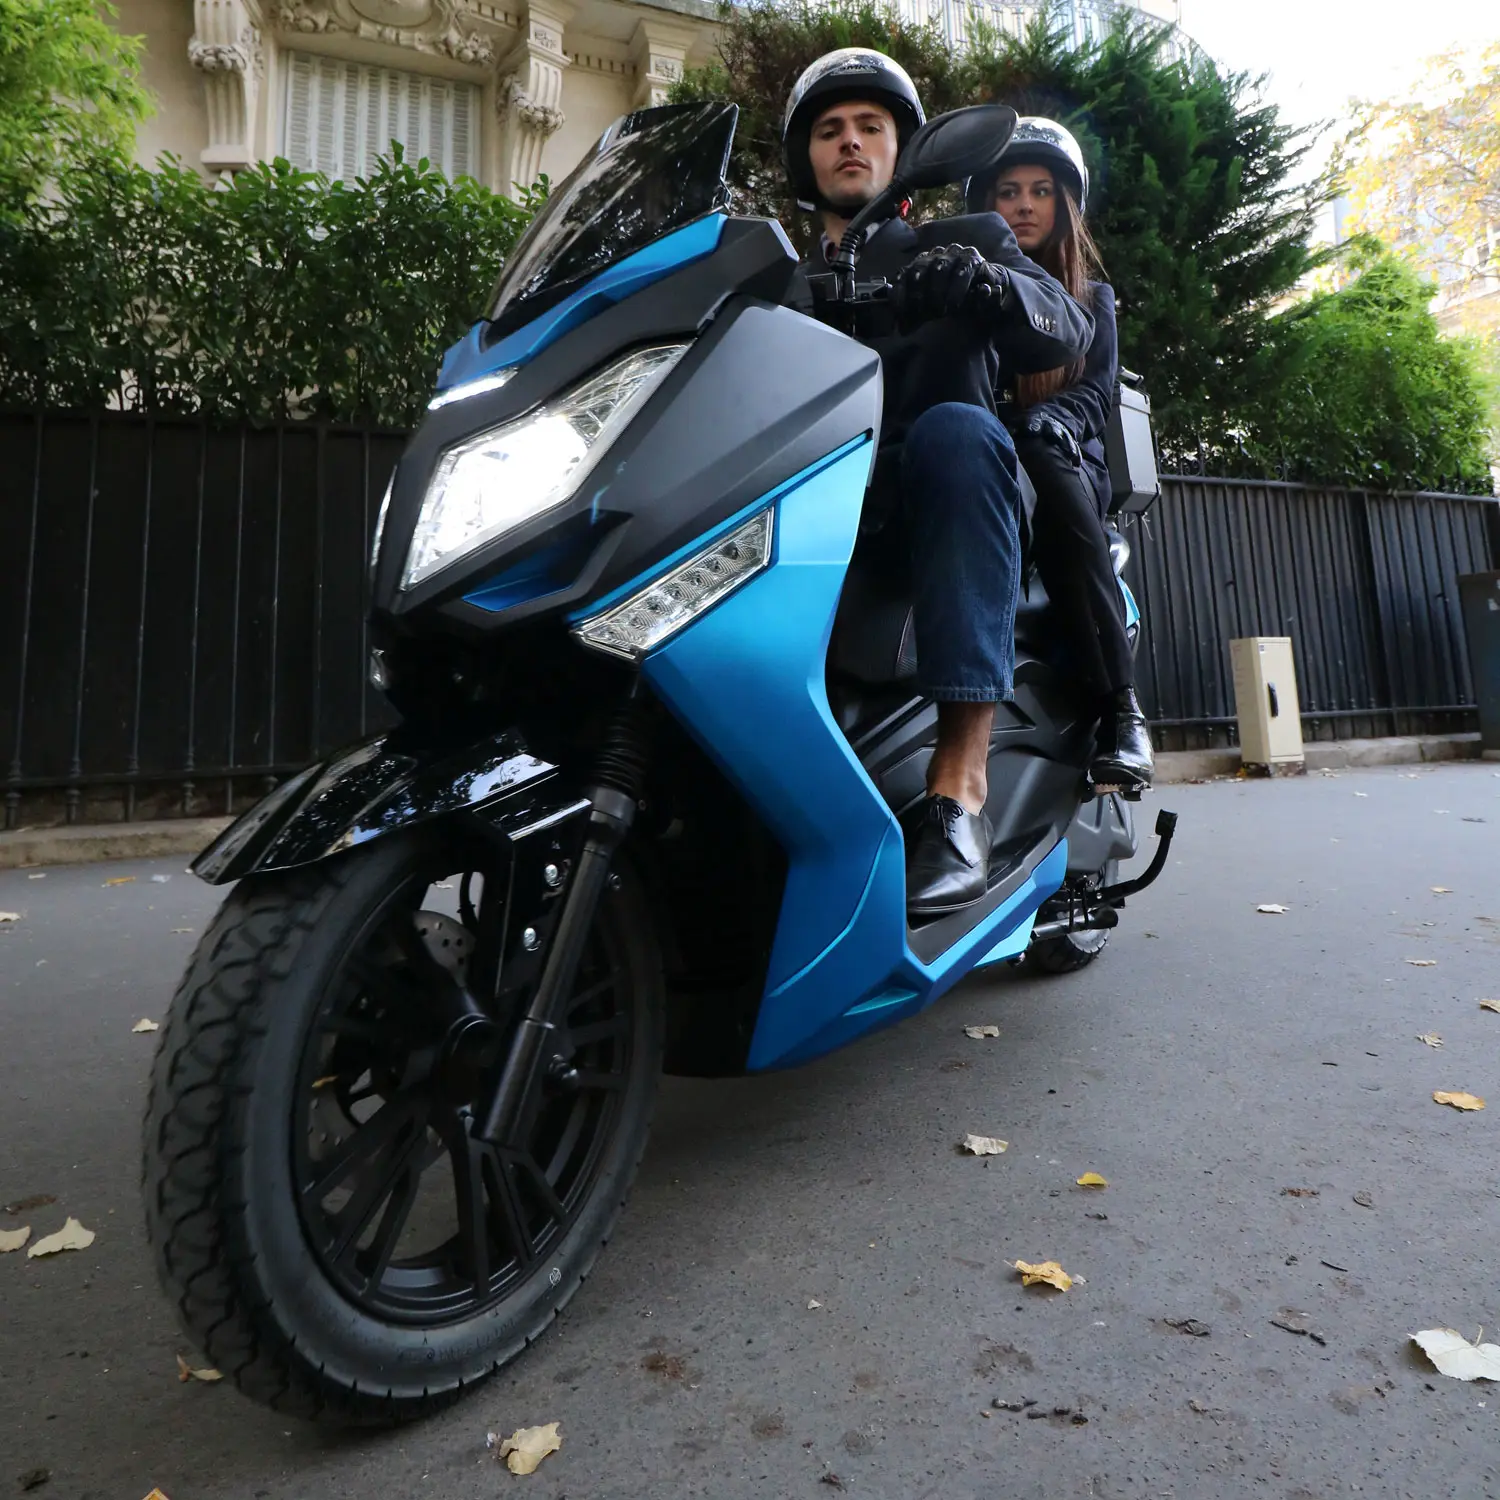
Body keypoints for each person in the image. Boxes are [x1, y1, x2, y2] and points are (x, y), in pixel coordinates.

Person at [780, 50, 1096, 915]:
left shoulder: (967, 239)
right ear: (805, 158)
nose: (849, 142)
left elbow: (1063, 326)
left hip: (941, 502)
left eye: (870, 128)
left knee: (959, 430)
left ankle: (957, 794)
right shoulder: (772, 282)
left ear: (903, 152)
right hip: (810, 508)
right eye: (829, 129)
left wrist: (990, 286)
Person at [966, 118, 1154, 789]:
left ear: (1063, 205)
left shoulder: (1092, 300)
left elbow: (1093, 393)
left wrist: (1045, 420)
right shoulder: (975, 288)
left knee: (1044, 455)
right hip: (991, 458)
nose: (1022, 203)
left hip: (1064, 456)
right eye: (1008, 190)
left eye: (1040, 190)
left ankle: (1121, 712)